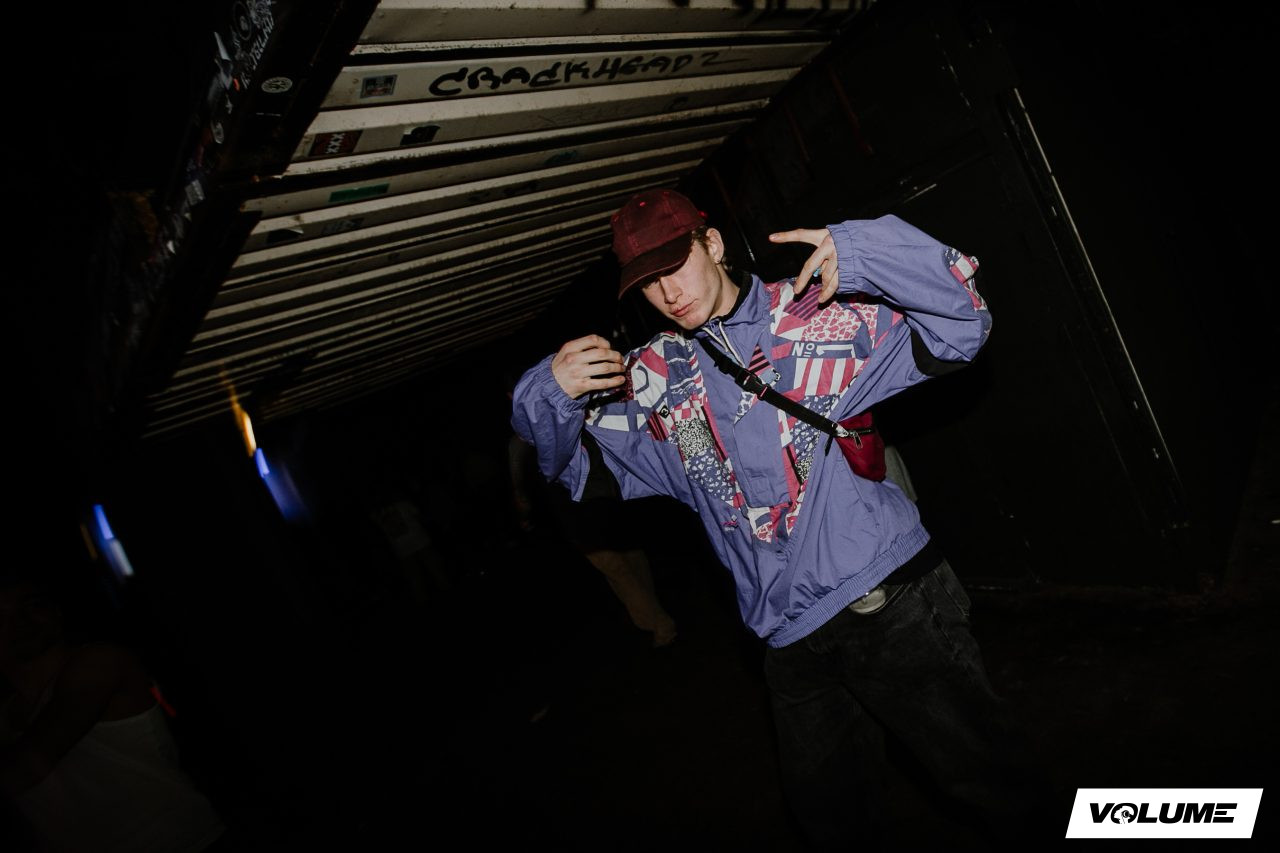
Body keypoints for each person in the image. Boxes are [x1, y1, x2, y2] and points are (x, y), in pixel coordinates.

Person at [510, 187, 1034, 849]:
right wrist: (547, 394)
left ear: (712, 244)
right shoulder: (656, 379)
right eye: (647, 282)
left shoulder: (814, 312)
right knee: (833, 822)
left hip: (887, 601)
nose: (668, 293)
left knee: (995, 784)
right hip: (787, 637)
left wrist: (868, 251)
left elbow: (961, 324)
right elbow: (579, 473)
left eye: (675, 264)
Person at [0, 570, 226, 853]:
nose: (21, 622)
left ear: (56, 612)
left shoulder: (99, 662)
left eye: (32, 605)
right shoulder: (5, 718)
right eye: (1, 615)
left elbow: (30, 763)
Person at [508, 431, 678, 648]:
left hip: (591, 508)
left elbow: (521, 487)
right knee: (625, 563)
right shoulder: (534, 436)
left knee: (622, 567)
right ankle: (656, 616)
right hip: (593, 506)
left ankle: (659, 623)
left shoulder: (532, 437)